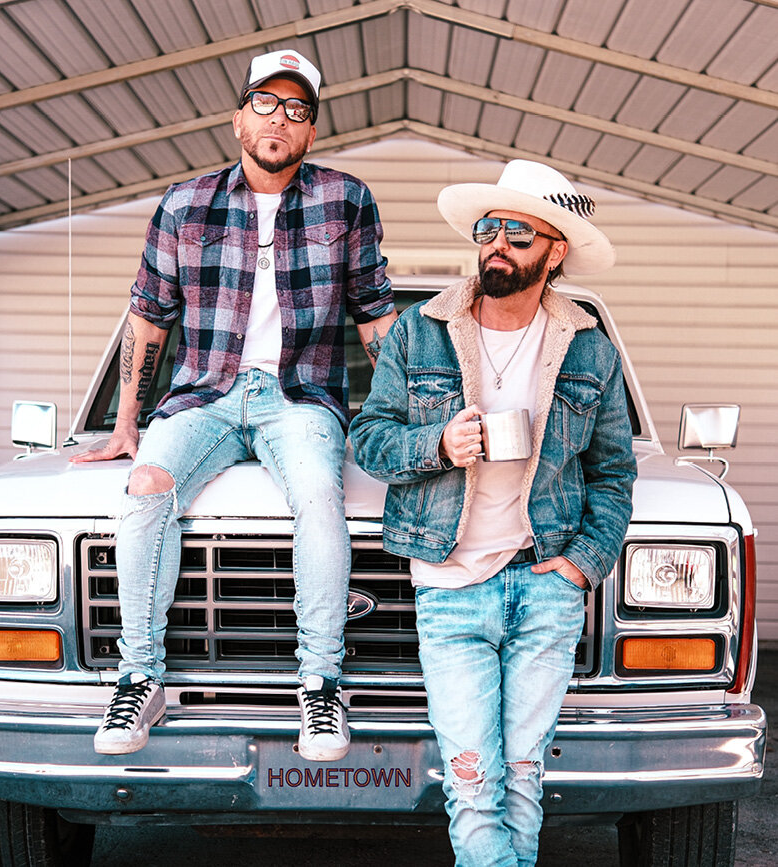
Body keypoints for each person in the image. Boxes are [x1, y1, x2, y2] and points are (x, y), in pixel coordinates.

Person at [72, 48, 396, 762]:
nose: (280, 118)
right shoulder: (184, 203)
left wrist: (406, 411)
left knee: (320, 494)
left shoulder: (345, 199)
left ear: (311, 130)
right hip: (205, 394)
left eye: (297, 109)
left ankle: (319, 684)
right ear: (238, 119)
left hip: (299, 396)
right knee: (146, 483)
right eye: (265, 103)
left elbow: (374, 312)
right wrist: (125, 423)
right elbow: (149, 316)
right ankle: (139, 677)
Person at [350, 160, 636, 866]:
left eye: (517, 231)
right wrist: (437, 444)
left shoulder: (590, 349)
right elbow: (370, 438)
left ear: (554, 251)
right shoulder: (418, 332)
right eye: (488, 228)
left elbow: (612, 473)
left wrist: (582, 565)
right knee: (474, 782)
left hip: (545, 582)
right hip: (449, 585)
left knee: (523, 778)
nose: (497, 243)